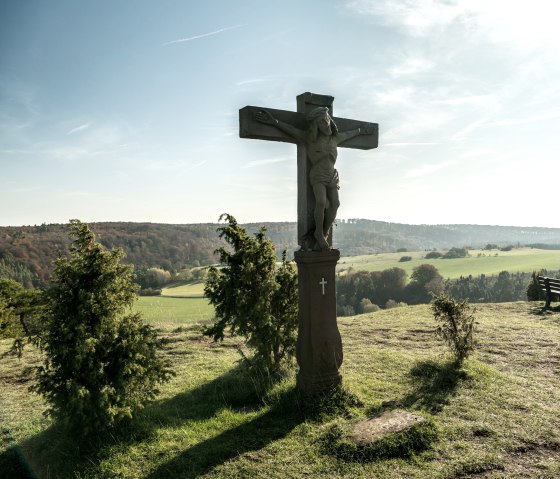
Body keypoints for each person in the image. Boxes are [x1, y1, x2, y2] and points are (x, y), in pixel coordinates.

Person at [255, 106, 372, 251]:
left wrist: (362, 131)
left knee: (335, 204)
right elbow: (292, 130)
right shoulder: (310, 139)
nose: (326, 123)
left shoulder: (335, 138)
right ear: (316, 125)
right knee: (322, 202)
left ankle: (322, 233)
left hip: (332, 175)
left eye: (327, 120)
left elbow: (350, 134)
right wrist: (274, 122)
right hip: (318, 174)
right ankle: (319, 233)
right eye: (321, 122)